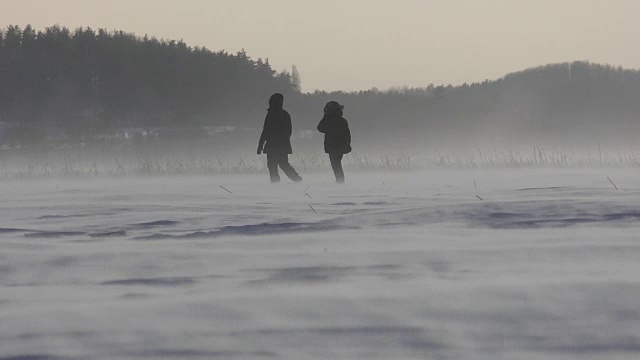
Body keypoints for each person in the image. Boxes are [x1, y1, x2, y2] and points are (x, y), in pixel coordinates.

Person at [257, 93, 302, 183]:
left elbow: (265, 130)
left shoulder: (271, 114)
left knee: (273, 165)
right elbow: (289, 131)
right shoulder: (285, 114)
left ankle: (276, 183)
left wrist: (260, 145)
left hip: (273, 145)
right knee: (283, 164)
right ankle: (296, 179)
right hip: (282, 145)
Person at [317, 101, 351, 183]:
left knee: (336, 165)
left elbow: (320, 128)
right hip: (340, 146)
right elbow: (348, 135)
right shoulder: (343, 120)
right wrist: (347, 145)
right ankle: (340, 181)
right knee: (337, 165)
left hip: (333, 146)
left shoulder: (329, 120)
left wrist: (325, 117)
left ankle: (340, 182)